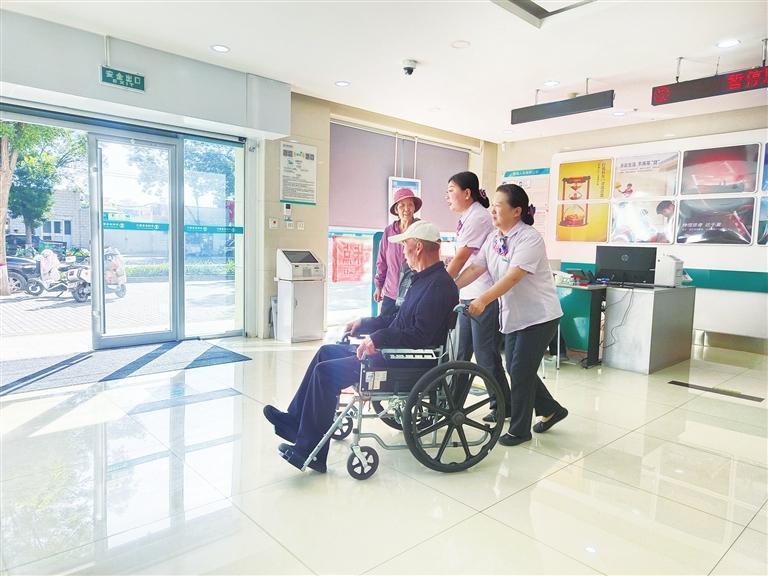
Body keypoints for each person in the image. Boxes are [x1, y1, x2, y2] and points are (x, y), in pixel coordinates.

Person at [263, 221, 459, 472]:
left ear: (418, 247)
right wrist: (364, 324)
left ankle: (310, 452)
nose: (403, 252)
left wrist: (377, 339)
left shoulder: (439, 286)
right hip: (396, 352)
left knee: (326, 373)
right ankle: (294, 422)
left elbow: (418, 337)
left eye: (405, 246)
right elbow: (396, 320)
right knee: (325, 352)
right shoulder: (421, 280)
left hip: (408, 361)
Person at [456, 184, 568, 446]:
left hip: (540, 316)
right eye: (493, 205)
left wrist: (483, 299)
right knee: (516, 368)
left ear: (517, 211)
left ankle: (519, 430)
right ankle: (552, 409)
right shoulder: (494, 238)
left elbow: (514, 276)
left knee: (519, 369)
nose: (493, 210)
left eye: (498, 206)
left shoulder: (530, 238)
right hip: (516, 316)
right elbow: (475, 268)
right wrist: (449, 288)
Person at [444, 171, 510, 423]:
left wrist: (440, 286)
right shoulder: (467, 217)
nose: (447, 196)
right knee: (462, 355)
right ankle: (454, 404)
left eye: (451, 190)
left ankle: (503, 405)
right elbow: (466, 262)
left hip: (484, 296)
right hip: (468, 294)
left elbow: (463, 258)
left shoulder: (478, 217)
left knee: (485, 356)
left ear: (467, 193)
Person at [373, 188, 421, 317]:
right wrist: (379, 286)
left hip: (413, 293)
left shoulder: (421, 228)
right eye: (402, 205)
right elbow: (382, 261)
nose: (406, 209)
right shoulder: (389, 231)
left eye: (410, 204)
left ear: (414, 207)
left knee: (408, 327)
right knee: (384, 325)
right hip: (391, 293)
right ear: (396, 210)